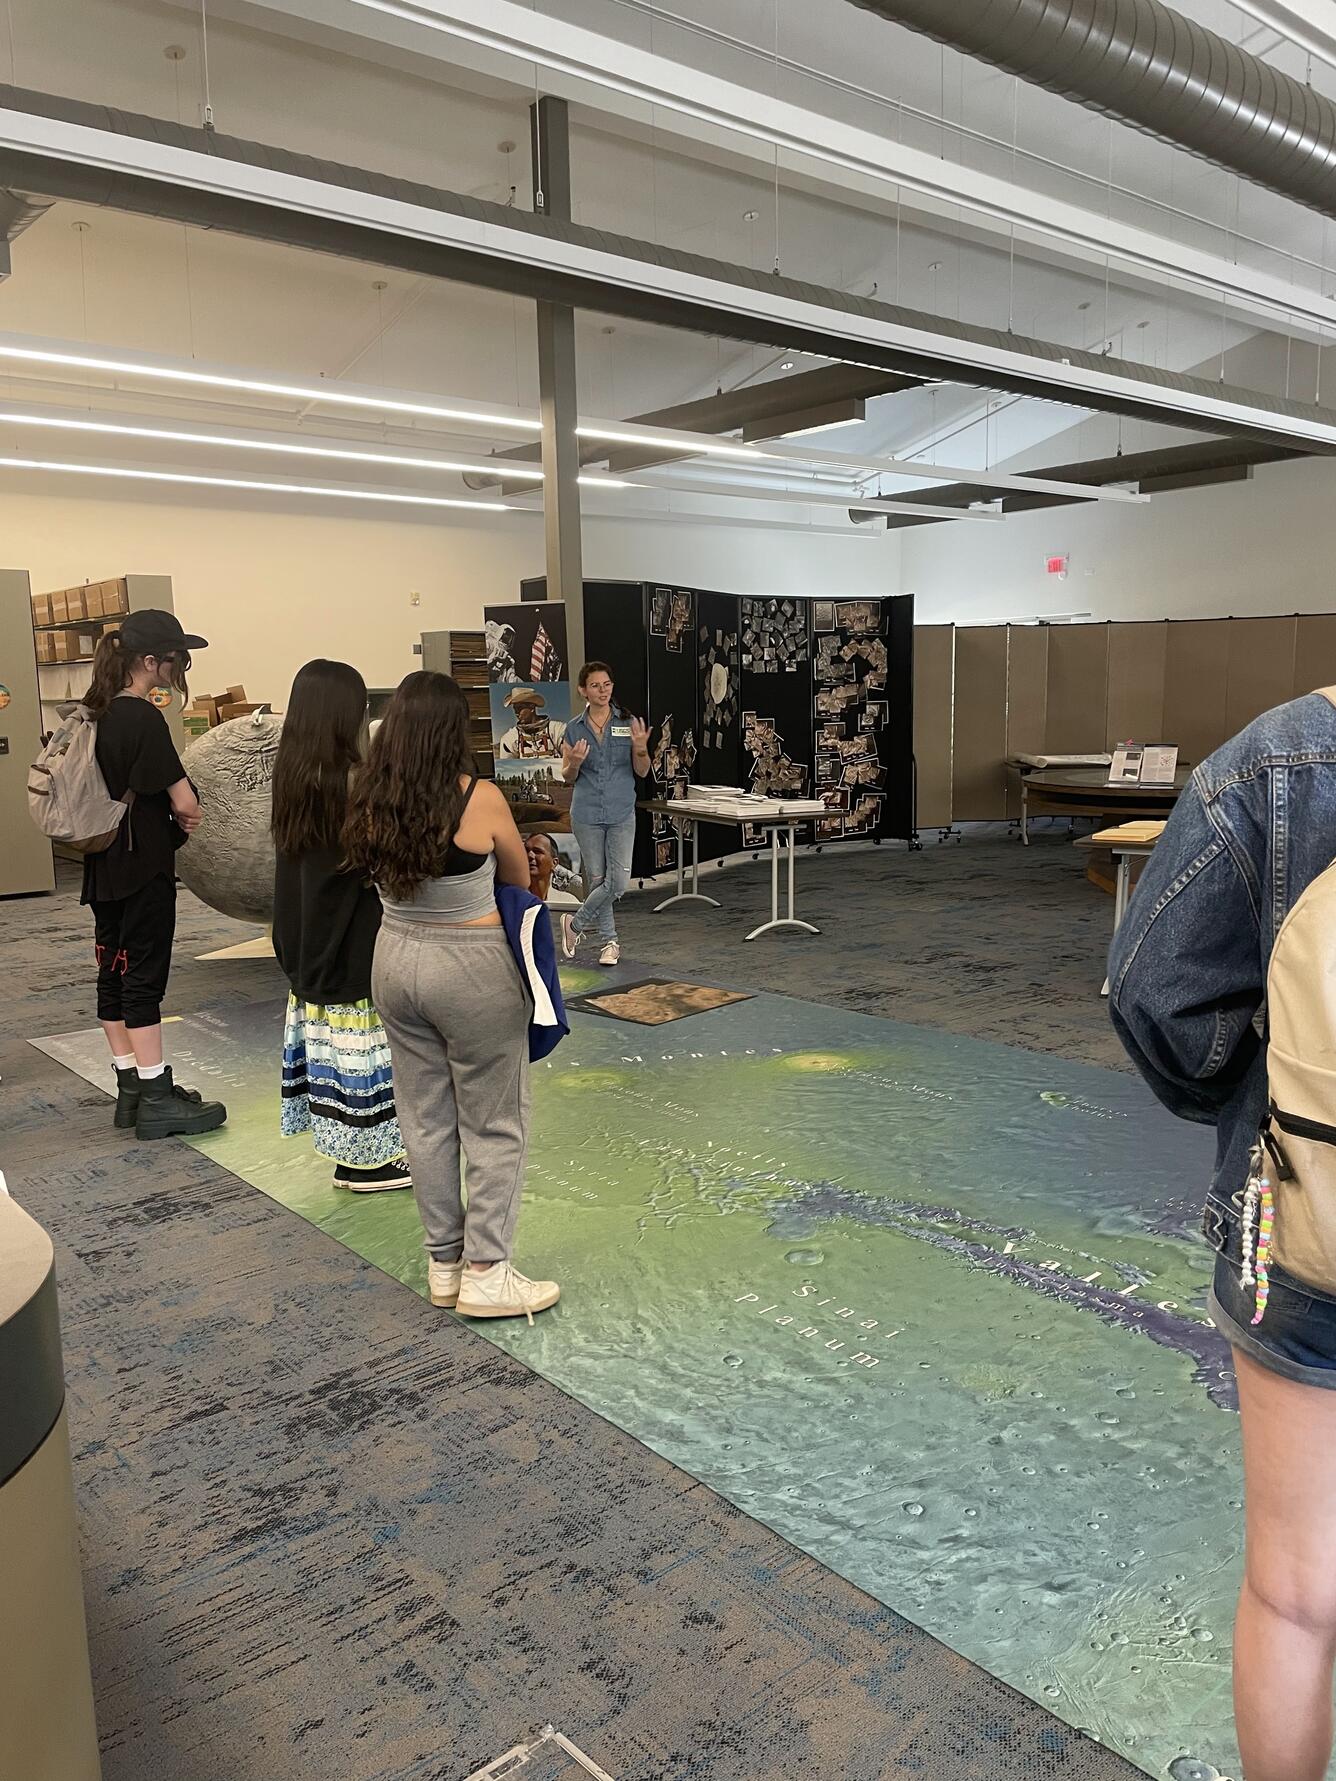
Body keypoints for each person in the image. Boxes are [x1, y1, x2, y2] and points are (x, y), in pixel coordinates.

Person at [1109, 687, 1336, 1781]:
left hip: (1301, 1218)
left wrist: (1265, 1098)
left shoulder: (1277, 760)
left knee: (1293, 1593)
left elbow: (1155, 993)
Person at [344, 671, 559, 1321]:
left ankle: (444, 1264)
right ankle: (488, 1271)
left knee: (425, 1117)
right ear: (452, 731)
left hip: (394, 961)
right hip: (469, 967)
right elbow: (520, 882)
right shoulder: (481, 798)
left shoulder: (367, 795)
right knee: (494, 1121)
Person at [80, 610, 227, 1140]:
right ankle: (158, 1097)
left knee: (112, 966)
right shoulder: (143, 719)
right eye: (176, 659)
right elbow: (185, 802)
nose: (179, 669)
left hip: (100, 861)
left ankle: (133, 1087)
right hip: (142, 862)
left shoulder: (92, 713)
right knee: (145, 975)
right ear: (149, 661)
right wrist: (183, 823)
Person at [271, 660, 409, 1193]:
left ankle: (351, 1153)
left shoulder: (293, 776)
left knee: (334, 1049)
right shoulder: (354, 783)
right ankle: (370, 1162)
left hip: (305, 934)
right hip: (352, 938)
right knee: (364, 1051)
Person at [558, 661, 651, 968]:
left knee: (618, 882)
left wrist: (640, 749)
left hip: (621, 811)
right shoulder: (573, 728)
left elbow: (642, 771)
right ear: (583, 690)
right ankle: (610, 943)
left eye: (607, 684)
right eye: (595, 686)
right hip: (586, 813)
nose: (602, 691)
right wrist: (574, 762)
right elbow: (568, 776)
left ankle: (574, 925)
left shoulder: (628, 722)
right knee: (598, 880)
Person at [496, 686, 567, 759]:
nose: (516, 712)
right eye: (515, 709)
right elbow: (507, 767)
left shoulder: (557, 730)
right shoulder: (510, 738)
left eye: (520, 708)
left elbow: (570, 760)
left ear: (532, 708)